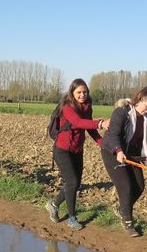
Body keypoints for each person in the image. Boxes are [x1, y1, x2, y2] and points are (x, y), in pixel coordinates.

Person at [45, 79, 109, 231]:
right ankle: (72, 218)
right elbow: (79, 122)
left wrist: (103, 143)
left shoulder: (87, 107)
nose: (82, 95)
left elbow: (90, 129)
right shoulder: (67, 106)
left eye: (85, 92)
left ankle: (53, 204)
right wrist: (100, 123)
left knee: (74, 183)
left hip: (77, 150)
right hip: (62, 150)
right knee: (72, 182)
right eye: (79, 92)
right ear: (72, 93)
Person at [101, 87, 147, 237]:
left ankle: (122, 210)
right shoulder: (122, 112)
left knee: (139, 187)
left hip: (132, 155)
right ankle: (128, 222)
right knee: (125, 187)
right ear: (138, 101)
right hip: (113, 152)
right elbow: (113, 135)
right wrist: (118, 151)